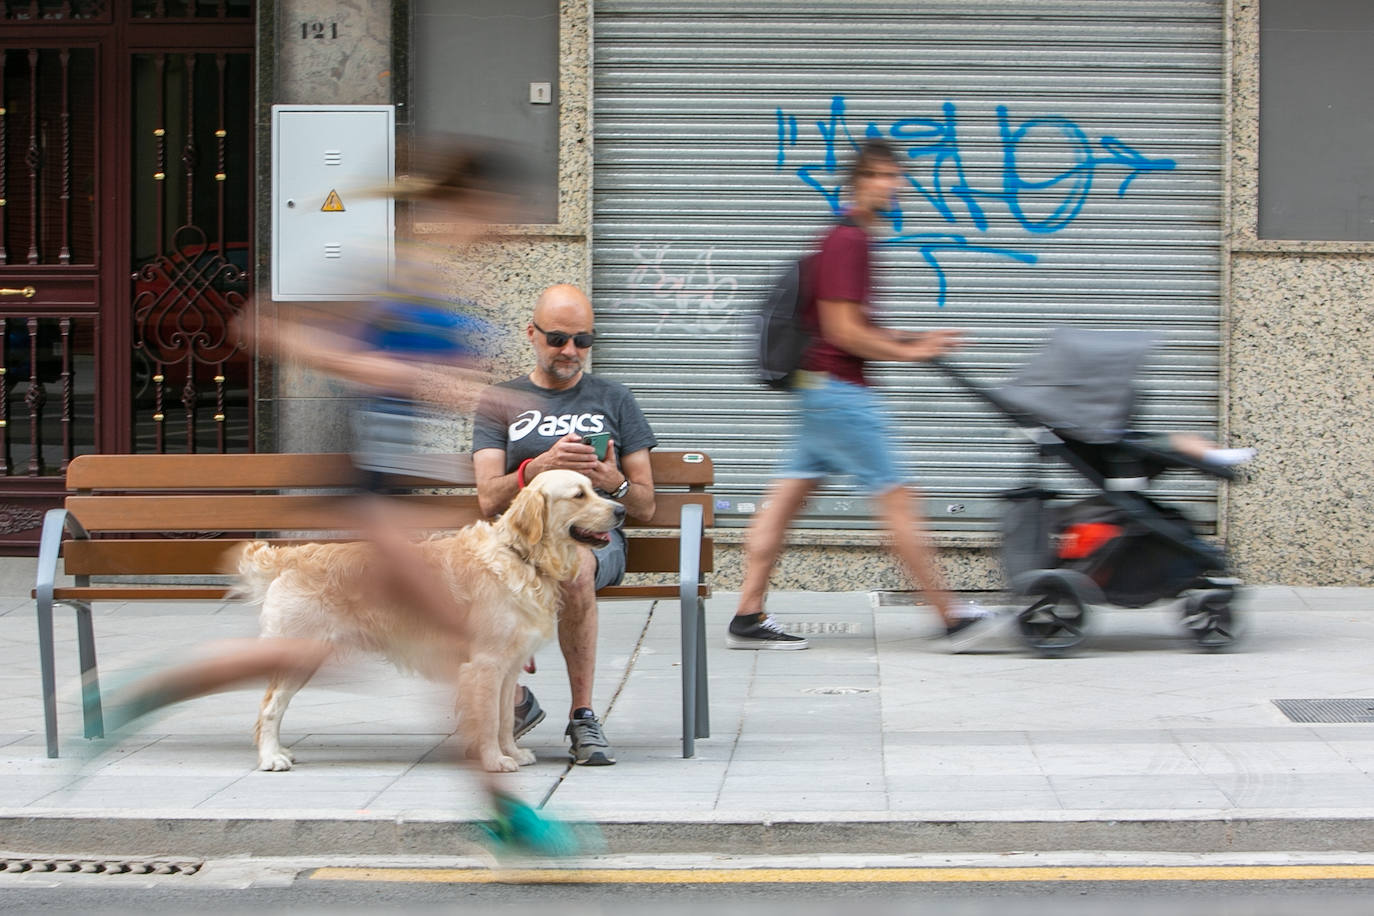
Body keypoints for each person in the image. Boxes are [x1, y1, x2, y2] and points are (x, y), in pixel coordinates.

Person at [727, 137, 997, 653]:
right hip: (839, 391)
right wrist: (913, 351)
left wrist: (913, 341)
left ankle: (747, 614)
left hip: (817, 389)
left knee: (785, 499)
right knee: (898, 497)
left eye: (896, 176)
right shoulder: (849, 241)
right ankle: (950, 616)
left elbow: (851, 328)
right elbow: (844, 332)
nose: (893, 185)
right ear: (858, 182)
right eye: (881, 175)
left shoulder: (846, 240)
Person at [472, 284, 657, 766]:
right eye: (557, 339)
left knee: (573, 570)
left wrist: (613, 481)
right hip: (518, 543)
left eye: (582, 340)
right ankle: (513, 701)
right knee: (458, 577)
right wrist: (538, 466)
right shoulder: (500, 400)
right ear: (531, 334)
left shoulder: (614, 399)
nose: (571, 351)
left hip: (593, 538)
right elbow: (487, 496)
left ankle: (583, 717)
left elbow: (646, 505)